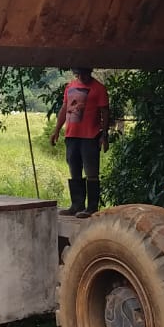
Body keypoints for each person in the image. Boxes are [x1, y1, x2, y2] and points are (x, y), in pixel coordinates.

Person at [49, 67, 110, 218]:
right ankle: (77, 205)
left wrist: (104, 135)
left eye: (84, 73)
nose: (81, 76)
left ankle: (92, 207)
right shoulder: (70, 86)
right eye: (78, 73)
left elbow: (105, 112)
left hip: (90, 135)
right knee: (74, 169)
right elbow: (64, 108)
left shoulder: (99, 89)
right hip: (72, 135)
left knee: (91, 172)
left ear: (90, 72)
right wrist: (56, 130)